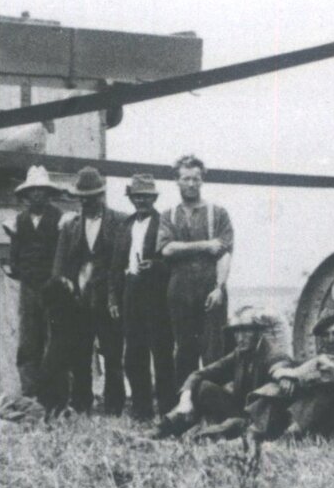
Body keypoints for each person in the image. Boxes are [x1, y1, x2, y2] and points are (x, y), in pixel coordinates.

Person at [244, 308, 334, 465]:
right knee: (282, 388)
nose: (331, 339)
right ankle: (256, 431)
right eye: (326, 335)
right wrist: (287, 378)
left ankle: (285, 439)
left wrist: (293, 375)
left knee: (325, 390)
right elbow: (299, 367)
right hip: (325, 419)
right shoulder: (322, 359)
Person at [43, 167, 125, 416]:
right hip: (78, 302)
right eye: (83, 198)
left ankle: (114, 406)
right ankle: (82, 404)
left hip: (109, 300)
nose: (87, 202)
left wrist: (115, 297)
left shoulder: (120, 221)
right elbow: (60, 264)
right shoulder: (71, 226)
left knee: (112, 355)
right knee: (80, 356)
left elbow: (120, 263)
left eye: (92, 197)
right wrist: (63, 284)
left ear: (101, 196)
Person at [156, 305, 294, 444]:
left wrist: (283, 376)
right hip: (240, 412)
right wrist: (185, 399)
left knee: (230, 426)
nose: (240, 338)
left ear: (258, 331)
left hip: (260, 419)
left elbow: (280, 366)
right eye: (236, 332)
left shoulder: (272, 353)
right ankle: (163, 429)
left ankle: (204, 436)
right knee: (203, 387)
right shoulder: (239, 354)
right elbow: (202, 373)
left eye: (245, 332)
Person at [160, 154, 234, 387]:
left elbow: (224, 252)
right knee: (184, 351)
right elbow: (167, 249)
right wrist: (205, 245)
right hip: (179, 290)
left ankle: (214, 404)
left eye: (195, 179)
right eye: (185, 179)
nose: (191, 184)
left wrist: (219, 288)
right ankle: (185, 406)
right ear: (177, 181)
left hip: (210, 288)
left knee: (214, 350)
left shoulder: (218, 213)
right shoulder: (168, 215)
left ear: (202, 180)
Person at [116, 173, 175, 420]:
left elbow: (173, 261)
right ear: (131, 199)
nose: (141, 201)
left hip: (157, 296)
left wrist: (157, 266)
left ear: (154, 198)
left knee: (161, 354)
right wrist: (113, 298)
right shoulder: (126, 225)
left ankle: (167, 409)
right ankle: (141, 410)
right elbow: (114, 265)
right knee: (133, 357)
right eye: (137, 196)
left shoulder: (164, 223)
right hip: (131, 293)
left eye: (146, 197)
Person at [4, 166, 64, 405]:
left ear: (48, 193)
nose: (37, 195)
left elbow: (63, 253)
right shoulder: (18, 222)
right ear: (26, 195)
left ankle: (55, 394)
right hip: (29, 288)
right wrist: (21, 273)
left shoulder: (60, 219)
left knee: (55, 339)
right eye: (33, 191)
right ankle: (30, 393)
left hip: (54, 288)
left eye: (41, 190)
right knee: (29, 341)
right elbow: (14, 257)